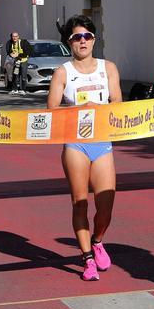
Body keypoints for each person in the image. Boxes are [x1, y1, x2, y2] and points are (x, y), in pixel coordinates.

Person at [48, 15, 123, 281]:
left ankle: (97, 240)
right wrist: (79, 109)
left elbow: (117, 103)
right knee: (80, 203)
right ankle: (87, 259)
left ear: (94, 39)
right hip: (76, 144)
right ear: (69, 42)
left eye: (87, 36)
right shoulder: (63, 72)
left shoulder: (108, 68)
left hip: (102, 143)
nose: (83, 41)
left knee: (106, 206)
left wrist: (100, 109)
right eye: (77, 37)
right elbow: (52, 112)